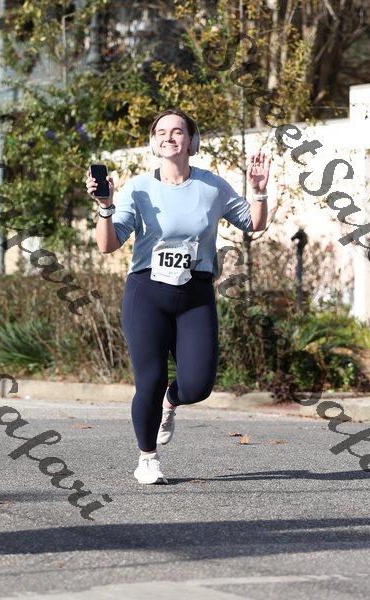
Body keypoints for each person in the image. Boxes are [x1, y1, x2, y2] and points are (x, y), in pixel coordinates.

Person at [86, 108, 271, 485]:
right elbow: (108, 245)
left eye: (178, 131)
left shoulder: (211, 187)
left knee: (198, 385)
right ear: (153, 142)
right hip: (146, 292)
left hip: (195, 293)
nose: (169, 137)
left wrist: (259, 191)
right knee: (150, 381)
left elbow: (254, 223)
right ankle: (147, 458)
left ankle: (171, 402)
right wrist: (105, 207)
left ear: (191, 141)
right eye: (162, 132)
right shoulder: (138, 188)